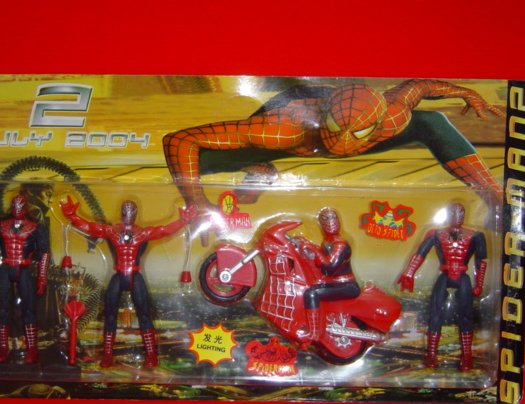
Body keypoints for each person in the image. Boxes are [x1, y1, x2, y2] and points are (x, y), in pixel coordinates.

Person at [163, 79, 504, 211]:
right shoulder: (281, 128)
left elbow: (422, 85)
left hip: (349, 121)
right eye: (336, 129)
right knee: (207, 162)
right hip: (298, 136)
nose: (342, 143)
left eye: (354, 133)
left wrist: (468, 93)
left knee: (433, 121)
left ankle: (491, 191)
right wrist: (196, 203)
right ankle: (254, 168)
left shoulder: (395, 112)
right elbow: (180, 140)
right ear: (324, 118)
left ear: (378, 121)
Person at [60, 196, 197, 368]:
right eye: (126, 212)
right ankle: (107, 355)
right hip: (119, 275)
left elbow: (164, 230)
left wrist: (183, 220)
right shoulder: (112, 231)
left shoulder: (142, 233)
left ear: (135, 214)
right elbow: (91, 227)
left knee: (144, 315)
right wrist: (72, 216)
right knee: (110, 315)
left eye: (131, 213)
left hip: (135, 275)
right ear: (122, 213)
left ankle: (151, 355)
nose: (128, 216)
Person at [398, 203, 487, 371]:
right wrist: (409, 272)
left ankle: (467, 356)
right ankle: (431, 354)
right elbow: (421, 253)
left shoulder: (476, 235)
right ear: (448, 215)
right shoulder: (436, 233)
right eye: (454, 214)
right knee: (435, 315)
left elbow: (481, 261)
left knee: (466, 316)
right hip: (445, 275)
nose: (457, 217)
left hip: (462, 276)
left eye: (461, 214)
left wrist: (479, 284)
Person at [0, 194, 50, 363]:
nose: (17, 210)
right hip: (6, 268)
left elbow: (44, 253)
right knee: (1, 307)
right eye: (15, 206)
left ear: (26, 207)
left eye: (21, 206)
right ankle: (3, 347)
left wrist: (42, 278)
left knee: (29, 308)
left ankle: (32, 348)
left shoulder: (36, 227)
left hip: (24, 268)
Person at [297, 208, 360, 348]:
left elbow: (329, 266)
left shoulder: (339, 242)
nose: (330, 222)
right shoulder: (329, 241)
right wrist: (305, 243)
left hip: (346, 285)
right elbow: (324, 259)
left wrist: (312, 249)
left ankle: (314, 333)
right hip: (336, 283)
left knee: (311, 294)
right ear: (321, 223)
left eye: (333, 218)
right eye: (325, 219)